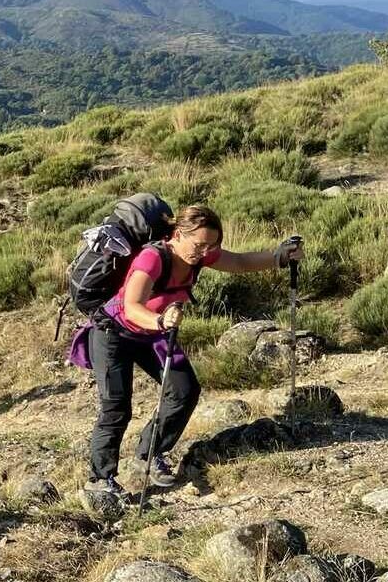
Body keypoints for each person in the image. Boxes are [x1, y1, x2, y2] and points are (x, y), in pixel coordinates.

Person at [83, 205, 303, 496]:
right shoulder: (152, 258)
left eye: (211, 246)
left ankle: (148, 456)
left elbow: (239, 262)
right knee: (117, 406)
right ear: (177, 234)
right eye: (199, 244)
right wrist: (160, 320)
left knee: (185, 391)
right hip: (113, 333)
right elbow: (131, 307)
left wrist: (279, 256)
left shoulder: (199, 253)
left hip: (153, 334)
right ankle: (101, 480)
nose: (205, 252)